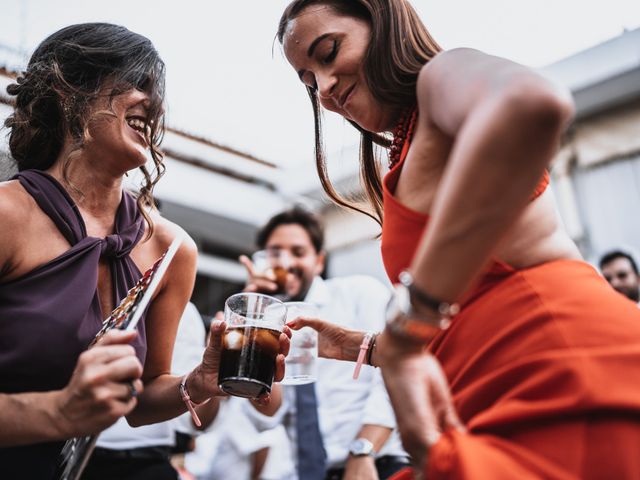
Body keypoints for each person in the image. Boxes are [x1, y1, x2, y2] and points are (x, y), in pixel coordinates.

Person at [276, 1, 640, 478]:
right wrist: (363, 346)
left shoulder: (440, 75)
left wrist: (413, 318)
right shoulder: (409, 141)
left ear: (382, 22)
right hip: (496, 395)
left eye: (328, 53)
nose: (323, 89)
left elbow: (532, 104)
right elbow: (469, 314)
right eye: (308, 82)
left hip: (564, 369)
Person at [0, 23, 288, 478]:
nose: (151, 103)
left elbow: (143, 397)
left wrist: (197, 382)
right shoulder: (6, 215)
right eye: (132, 82)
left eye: (156, 91)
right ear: (65, 90)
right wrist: (58, 411)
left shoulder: (171, 249)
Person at [240, 207, 409, 480]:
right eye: (275, 252)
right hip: (310, 472)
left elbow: (396, 370)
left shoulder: (359, 293)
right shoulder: (267, 322)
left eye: (298, 252)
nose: (286, 262)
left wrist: (362, 451)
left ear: (318, 261)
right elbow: (270, 412)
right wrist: (254, 324)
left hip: (376, 463)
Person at [82, 302, 214, 480]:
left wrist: (211, 385)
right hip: (72, 451)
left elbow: (192, 422)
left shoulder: (185, 312)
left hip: (148, 461)